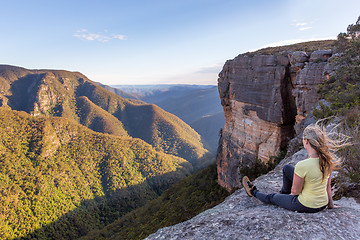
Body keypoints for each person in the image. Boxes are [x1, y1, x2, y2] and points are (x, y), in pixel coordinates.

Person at [242, 122, 347, 213]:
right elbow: (327, 187)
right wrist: (330, 206)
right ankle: (283, 193)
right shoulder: (327, 162)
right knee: (287, 168)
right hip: (322, 204)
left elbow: (295, 192)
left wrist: (285, 199)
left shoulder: (302, 165)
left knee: (272, 197)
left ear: (306, 141)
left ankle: (253, 191)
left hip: (306, 205)